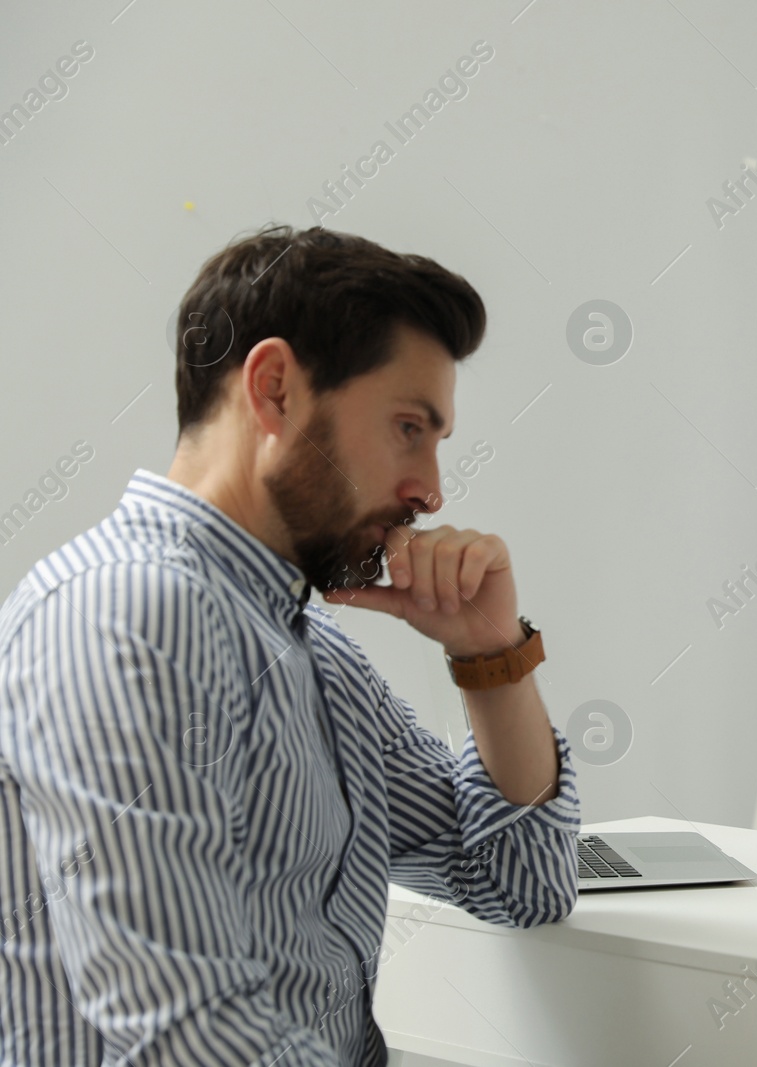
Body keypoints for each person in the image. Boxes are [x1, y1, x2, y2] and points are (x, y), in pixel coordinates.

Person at [0, 225, 580, 1064]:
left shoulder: (315, 651)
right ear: (274, 390)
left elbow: (522, 882)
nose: (431, 489)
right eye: (409, 428)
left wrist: (491, 657)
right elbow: (182, 1031)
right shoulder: (125, 613)